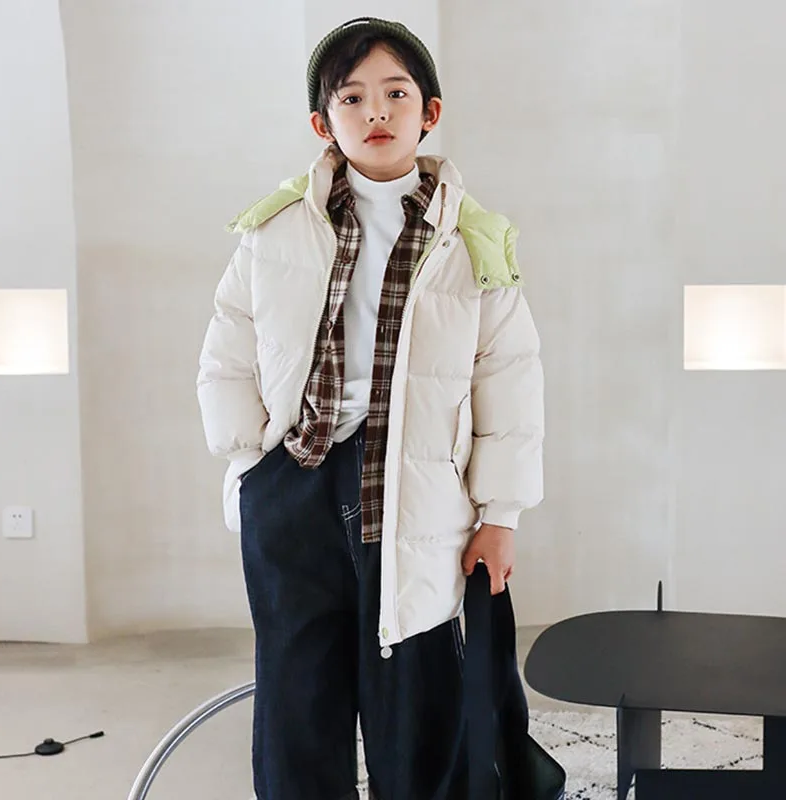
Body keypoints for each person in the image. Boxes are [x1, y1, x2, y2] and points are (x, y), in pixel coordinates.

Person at [197, 16, 544, 800]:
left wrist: (502, 513)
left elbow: (510, 380)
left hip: (413, 492)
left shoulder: (475, 240)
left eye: (396, 93)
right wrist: (251, 468)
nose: (376, 111)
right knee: (298, 702)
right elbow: (225, 354)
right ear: (323, 124)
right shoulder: (274, 229)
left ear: (430, 111)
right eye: (352, 98)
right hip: (295, 485)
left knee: (416, 705)